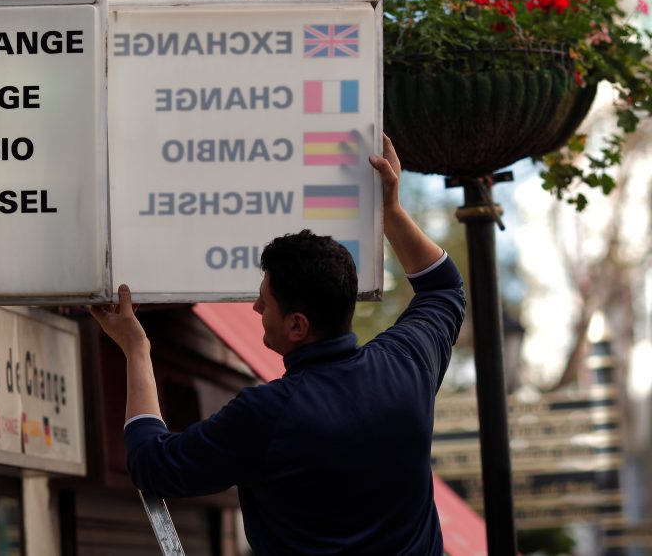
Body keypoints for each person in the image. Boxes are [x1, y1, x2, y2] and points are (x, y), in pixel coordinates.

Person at [89, 135, 466, 555]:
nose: (254, 308)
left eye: (265, 301)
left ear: (297, 326)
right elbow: (443, 288)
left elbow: (151, 466)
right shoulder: (406, 367)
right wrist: (391, 211)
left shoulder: (265, 416)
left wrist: (136, 349)